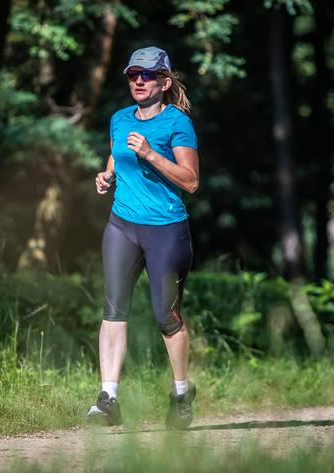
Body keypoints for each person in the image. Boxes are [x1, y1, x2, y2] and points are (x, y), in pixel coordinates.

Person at [86, 46, 200, 430]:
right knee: (113, 309)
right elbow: (116, 159)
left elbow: (191, 181)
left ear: (165, 82)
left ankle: (182, 393)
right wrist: (107, 177)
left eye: (147, 75)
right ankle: (108, 399)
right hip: (122, 226)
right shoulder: (119, 119)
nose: (138, 81)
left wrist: (151, 154)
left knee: (165, 317)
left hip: (166, 231)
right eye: (133, 74)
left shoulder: (177, 124)